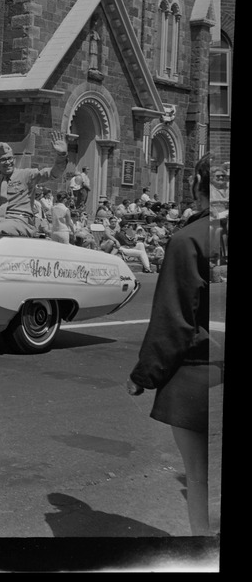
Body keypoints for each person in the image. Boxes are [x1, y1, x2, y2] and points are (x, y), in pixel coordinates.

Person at [127, 154, 221, 536]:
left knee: (200, 478)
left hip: (201, 372)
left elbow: (174, 320)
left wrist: (143, 375)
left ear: (198, 185)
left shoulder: (189, 239)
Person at [0, 132, 69, 245]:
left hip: (21, 222)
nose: (8, 162)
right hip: (0, 222)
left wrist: (61, 155)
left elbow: (53, 173)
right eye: (3, 159)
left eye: (10, 158)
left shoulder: (27, 175)